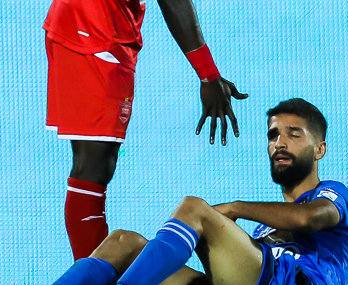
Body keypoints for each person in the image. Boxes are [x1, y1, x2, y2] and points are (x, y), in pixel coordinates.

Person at [0, 98, 348, 285]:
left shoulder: (334, 194)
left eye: (294, 134)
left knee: (194, 207)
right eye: (273, 134)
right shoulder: (263, 227)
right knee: (125, 242)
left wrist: (233, 209)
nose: (279, 142)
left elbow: (310, 219)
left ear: (320, 149)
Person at [44, 0, 248, 259]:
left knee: (97, 165)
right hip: (95, 30)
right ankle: (89, 279)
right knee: (94, 165)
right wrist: (208, 74)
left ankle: (91, 275)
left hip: (100, 29)